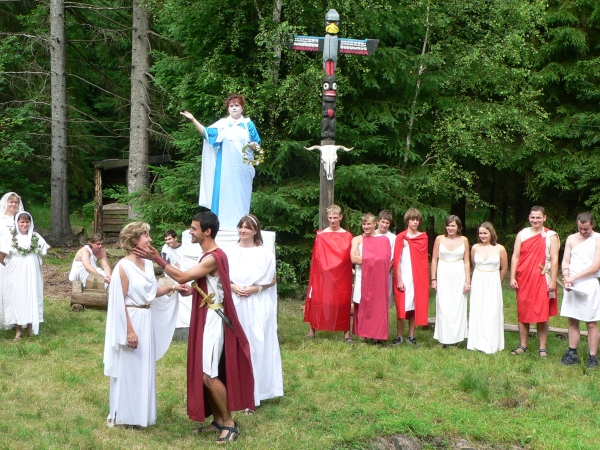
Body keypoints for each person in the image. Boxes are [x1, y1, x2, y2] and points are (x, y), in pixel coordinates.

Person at [133, 211, 254, 444]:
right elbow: (207, 283)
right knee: (205, 372)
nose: (190, 231)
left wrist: (157, 258)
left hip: (213, 320)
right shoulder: (210, 255)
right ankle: (218, 420)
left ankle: (229, 424)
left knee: (208, 375)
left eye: (194, 228)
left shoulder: (213, 257)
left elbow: (182, 276)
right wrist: (196, 289)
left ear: (207, 231)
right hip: (207, 316)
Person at [103, 222, 186, 428]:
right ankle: (122, 415)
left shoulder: (148, 264)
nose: (150, 239)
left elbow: (152, 292)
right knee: (128, 368)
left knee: (142, 367)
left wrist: (174, 287)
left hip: (146, 319)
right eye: (145, 235)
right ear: (134, 240)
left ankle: (140, 415)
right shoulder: (123, 267)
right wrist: (129, 331)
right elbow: (119, 302)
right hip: (131, 319)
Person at [224, 214, 283, 410]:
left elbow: (272, 280)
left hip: (257, 303)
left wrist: (254, 289)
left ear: (255, 230)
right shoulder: (228, 252)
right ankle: (235, 391)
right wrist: (233, 287)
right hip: (235, 302)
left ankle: (254, 393)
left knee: (256, 345)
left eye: (247, 227)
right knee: (236, 346)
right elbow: (221, 277)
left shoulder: (264, 254)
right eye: (241, 227)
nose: (243, 230)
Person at [181, 94, 261, 230]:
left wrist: (254, 146)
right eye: (231, 106)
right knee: (223, 194)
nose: (234, 108)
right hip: (224, 169)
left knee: (241, 195)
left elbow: (256, 143)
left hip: (243, 169)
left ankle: (241, 225)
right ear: (228, 109)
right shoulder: (223, 124)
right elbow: (207, 133)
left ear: (242, 108)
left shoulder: (248, 124)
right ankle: (221, 225)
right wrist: (193, 119)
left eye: (237, 105)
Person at [509, 206, 560, 357]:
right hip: (523, 277)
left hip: (542, 277)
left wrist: (553, 281)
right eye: (533, 217)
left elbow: (555, 259)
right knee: (523, 310)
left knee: (541, 312)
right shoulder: (522, 234)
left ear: (544, 218)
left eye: (538, 217)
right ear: (529, 218)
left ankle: (542, 347)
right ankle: (523, 345)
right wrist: (512, 277)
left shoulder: (551, 236)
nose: (535, 220)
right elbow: (515, 256)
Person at [304, 204, 354, 344]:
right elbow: (317, 258)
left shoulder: (347, 236)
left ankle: (346, 334)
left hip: (341, 275)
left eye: (335, 217)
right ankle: (312, 331)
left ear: (340, 217)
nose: (332, 220)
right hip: (323, 275)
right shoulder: (321, 235)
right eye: (330, 217)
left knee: (343, 301)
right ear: (327, 217)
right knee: (317, 299)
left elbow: (348, 257)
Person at [0, 211, 50, 339]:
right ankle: (18, 330)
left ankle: (30, 327)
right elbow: (1, 254)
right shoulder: (10, 236)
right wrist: (9, 266)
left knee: (31, 295)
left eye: (27, 221)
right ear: (17, 223)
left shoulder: (35, 236)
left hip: (33, 271)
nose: (25, 224)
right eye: (22, 221)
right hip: (16, 271)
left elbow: (43, 252)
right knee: (17, 296)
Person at [559, 213, 600, 368]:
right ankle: (572, 354)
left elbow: (596, 266)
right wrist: (566, 277)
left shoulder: (598, 239)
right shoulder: (571, 239)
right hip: (572, 285)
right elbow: (566, 261)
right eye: (580, 228)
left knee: (591, 322)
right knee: (572, 320)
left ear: (592, 225)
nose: (583, 231)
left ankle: (593, 357)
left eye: (586, 229)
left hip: (588, 284)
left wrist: (573, 278)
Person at [467, 222, 509, 354]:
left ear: (491, 233)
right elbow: (474, 264)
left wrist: (497, 281)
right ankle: (477, 341)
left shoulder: (500, 249)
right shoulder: (475, 248)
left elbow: (504, 268)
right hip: (478, 280)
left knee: (492, 311)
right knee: (478, 309)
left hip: (493, 281)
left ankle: (491, 342)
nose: (482, 235)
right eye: (480, 233)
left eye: (485, 233)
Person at [351, 213, 391, 343]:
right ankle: (363, 335)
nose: (366, 226)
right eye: (364, 224)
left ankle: (376, 335)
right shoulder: (357, 239)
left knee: (377, 305)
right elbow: (354, 258)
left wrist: (366, 259)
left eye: (368, 224)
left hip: (378, 278)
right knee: (362, 303)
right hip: (362, 276)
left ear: (375, 224)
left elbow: (385, 260)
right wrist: (375, 259)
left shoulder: (383, 240)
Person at [431, 215, 470, 347]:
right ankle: (443, 338)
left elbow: (467, 261)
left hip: (459, 275)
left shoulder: (464, 240)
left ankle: (455, 339)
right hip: (443, 274)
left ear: (458, 227)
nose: (450, 228)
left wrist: (467, 282)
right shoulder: (439, 239)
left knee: (457, 306)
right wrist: (433, 279)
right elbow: (434, 260)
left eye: (453, 225)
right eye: (448, 225)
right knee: (443, 306)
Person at [392, 208, 429, 346]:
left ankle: (411, 336)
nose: (415, 222)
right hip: (404, 276)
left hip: (418, 278)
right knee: (401, 307)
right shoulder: (401, 237)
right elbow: (397, 260)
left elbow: (422, 260)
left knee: (414, 306)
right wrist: (399, 279)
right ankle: (399, 336)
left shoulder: (423, 237)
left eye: (417, 220)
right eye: (412, 219)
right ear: (407, 221)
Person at [0, 192, 24, 329]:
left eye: (16, 202)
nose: (13, 204)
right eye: (11, 202)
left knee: (15, 287)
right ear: (6, 203)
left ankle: (18, 317)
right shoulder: (1, 219)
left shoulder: (20, 219)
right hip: (2, 257)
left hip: (16, 258)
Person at [374, 210, 396, 307]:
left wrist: (386, 270)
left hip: (386, 272)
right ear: (378, 221)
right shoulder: (371, 234)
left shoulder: (393, 238)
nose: (384, 225)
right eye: (382, 222)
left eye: (387, 223)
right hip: (373, 272)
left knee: (384, 301)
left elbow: (394, 256)